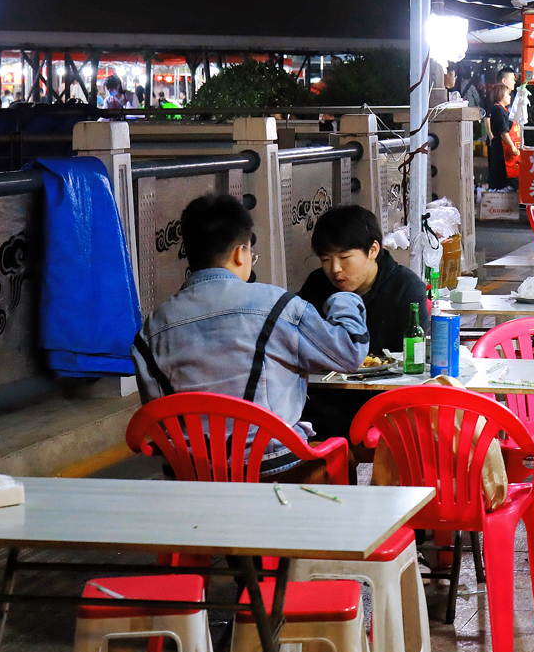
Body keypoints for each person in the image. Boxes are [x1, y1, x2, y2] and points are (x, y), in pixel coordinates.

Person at [133, 192, 368, 474]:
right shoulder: (278, 306)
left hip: (191, 474)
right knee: (341, 456)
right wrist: (344, 299)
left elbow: (160, 415)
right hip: (272, 466)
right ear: (239, 253)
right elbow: (349, 352)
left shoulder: (150, 331)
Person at [298, 203, 429, 356]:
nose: (335, 269)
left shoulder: (406, 289)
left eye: (344, 257)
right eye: (326, 260)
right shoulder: (316, 285)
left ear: (373, 250)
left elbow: (412, 357)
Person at [484, 71, 519, 191]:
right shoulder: (497, 109)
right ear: (501, 95)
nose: (510, 97)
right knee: (501, 176)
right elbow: (503, 131)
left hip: (506, 147)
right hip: (501, 148)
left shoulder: (504, 109)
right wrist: (512, 146)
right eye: (507, 95)